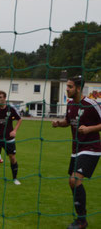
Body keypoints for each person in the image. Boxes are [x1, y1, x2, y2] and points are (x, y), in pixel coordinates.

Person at [52, 76, 101, 229]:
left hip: (92, 147)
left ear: (78, 88)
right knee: (72, 182)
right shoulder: (71, 104)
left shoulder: (91, 104)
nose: (67, 89)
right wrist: (59, 124)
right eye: (67, 86)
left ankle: (81, 221)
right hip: (77, 149)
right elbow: (68, 121)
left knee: (74, 179)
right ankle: (81, 218)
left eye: (70, 86)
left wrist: (89, 129)